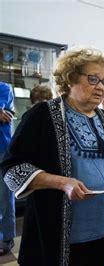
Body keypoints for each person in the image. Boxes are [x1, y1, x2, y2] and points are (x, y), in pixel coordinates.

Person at [0, 48, 104, 265]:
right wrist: (62, 183)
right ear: (70, 78)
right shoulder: (42, 115)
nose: (101, 87)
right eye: (93, 79)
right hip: (56, 236)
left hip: (102, 230)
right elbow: (12, 168)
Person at [0, 82, 15, 256]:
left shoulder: (4, 88)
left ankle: (6, 237)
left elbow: (4, 114)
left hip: (2, 149)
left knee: (4, 195)